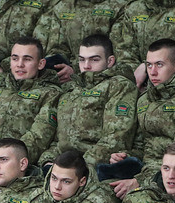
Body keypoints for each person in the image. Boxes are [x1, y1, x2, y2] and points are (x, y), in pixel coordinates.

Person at [105, 38, 175, 197]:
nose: (152, 72)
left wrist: (140, 181)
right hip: (145, 171)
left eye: (159, 65)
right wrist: (127, 157)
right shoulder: (144, 100)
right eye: (149, 65)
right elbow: (143, 144)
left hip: (174, 179)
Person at [38, 33, 138, 171]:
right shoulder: (71, 89)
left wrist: (76, 169)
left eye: (94, 60)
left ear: (110, 61)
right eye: (81, 60)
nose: (86, 66)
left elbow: (115, 139)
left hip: (92, 168)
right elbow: (59, 141)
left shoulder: (119, 86)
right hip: (63, 168)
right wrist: (48, 161)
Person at [0, 37, 63, 167]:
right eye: (15, 58)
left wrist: (1, 163)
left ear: (41, 63)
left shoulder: (50, 94)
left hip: (22, 169)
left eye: (27, 59)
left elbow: (39, 137)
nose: (20, 64)